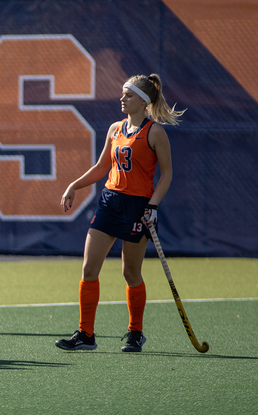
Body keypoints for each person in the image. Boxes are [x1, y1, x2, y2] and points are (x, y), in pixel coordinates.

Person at [56, 74, 185, 353]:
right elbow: (102, 167)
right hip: (109, 201)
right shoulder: (115, 129)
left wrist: (152, 206)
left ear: (142, 100)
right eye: (123, 94)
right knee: (89, 269)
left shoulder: (154, 132)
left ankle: (135, 333)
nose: (122, 99)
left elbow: (167, 175)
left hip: (138, 207)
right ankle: (85, 334)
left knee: (130, 272)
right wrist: (73, 185)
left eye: (128, 95)